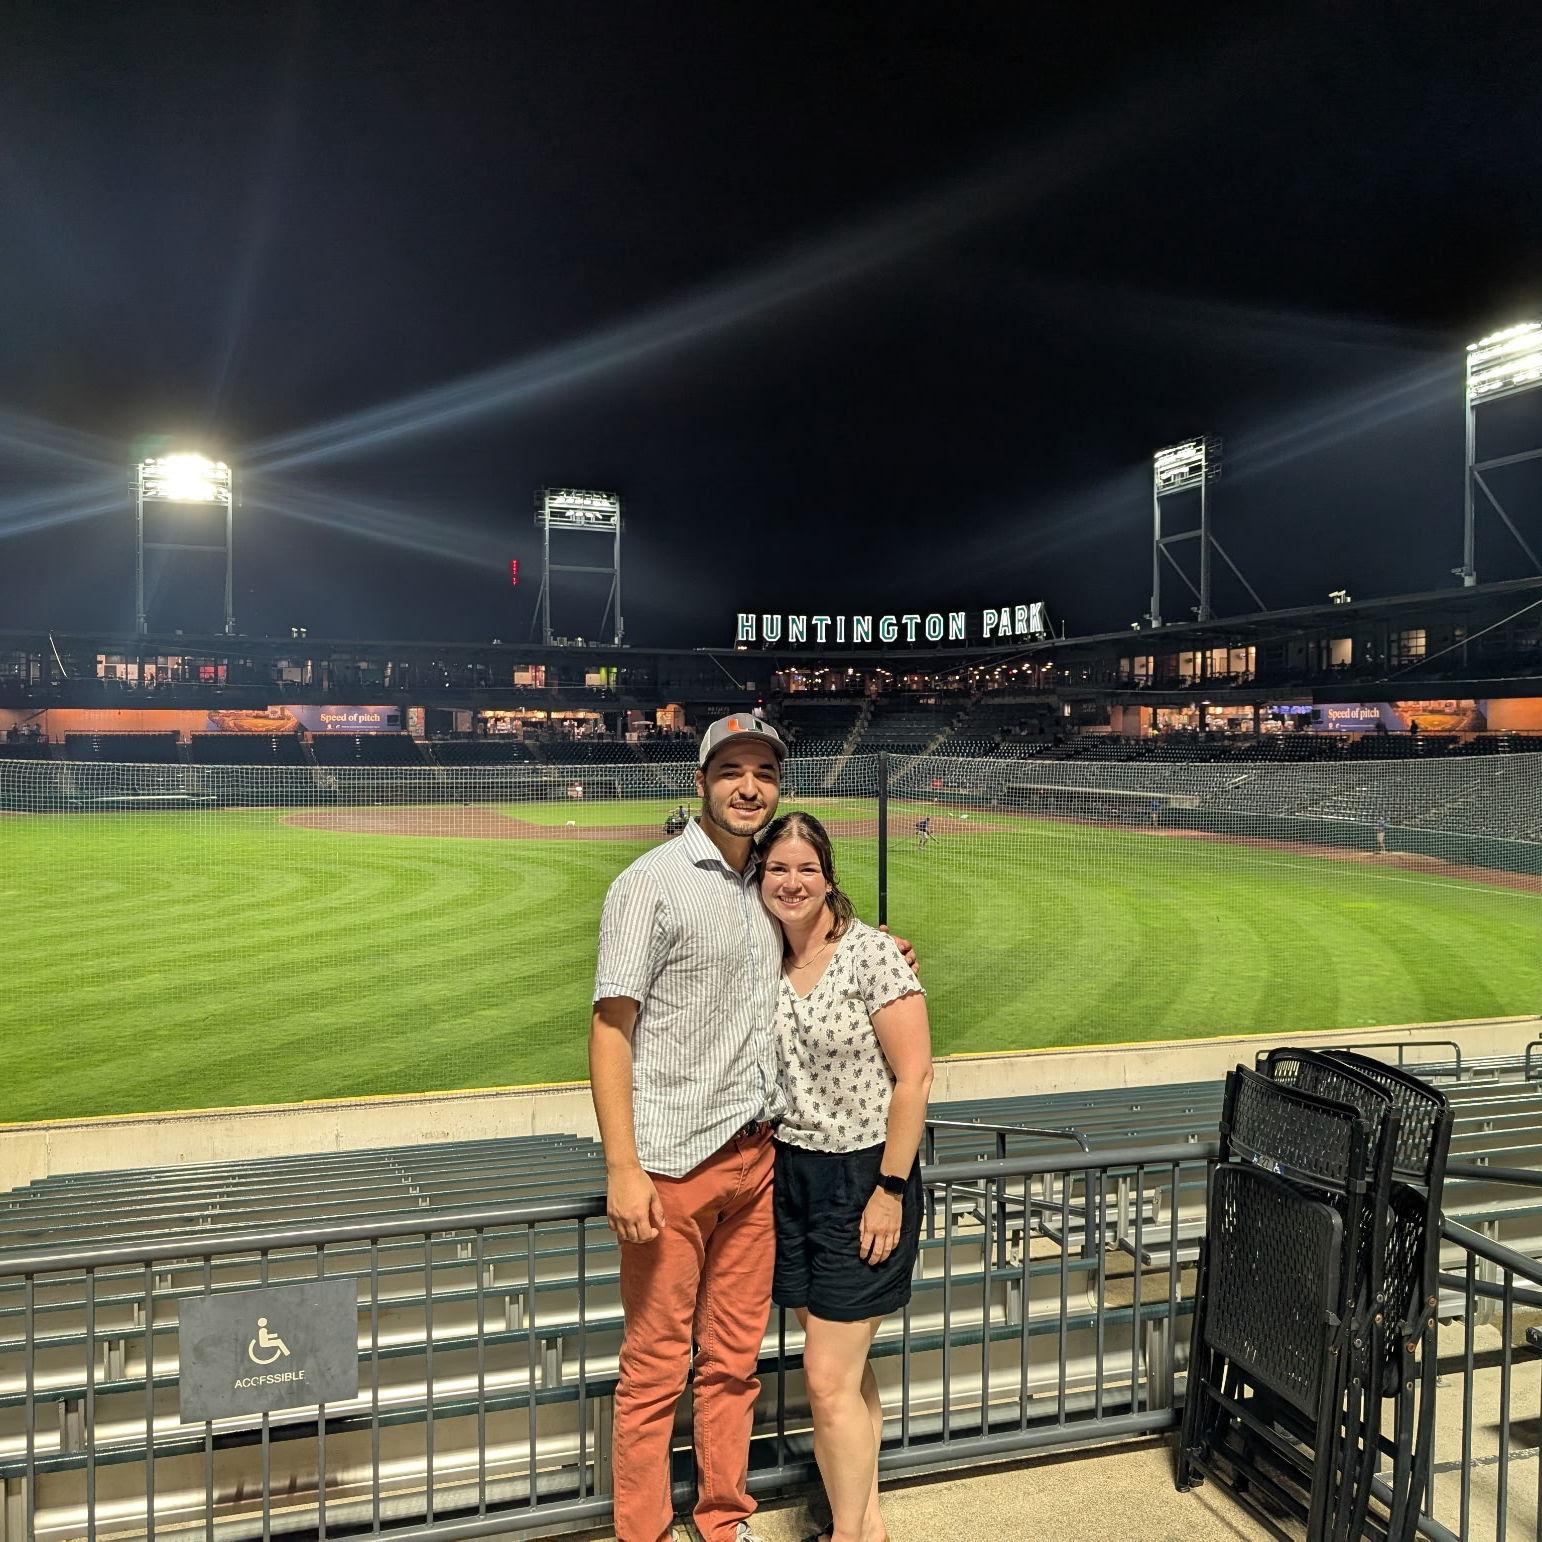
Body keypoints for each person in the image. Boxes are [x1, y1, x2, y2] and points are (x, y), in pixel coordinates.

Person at [589, 714, 916, 1542]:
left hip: (757, 1161)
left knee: (733, 1364)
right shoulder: (651, 882)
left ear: (775, 787)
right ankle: (645, 1531)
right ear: (701, 781)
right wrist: (622, 1166)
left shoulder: (758, 887)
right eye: (730, 769)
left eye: (762, 772)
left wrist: (880, 948)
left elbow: (823, 944)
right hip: (670, 1165)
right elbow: (610, 1027)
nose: (747, 785)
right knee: (656, 1368)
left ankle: (723, 1518)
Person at [759, 812, 933, 1542]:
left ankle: (852, 1535)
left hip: (865, 1176)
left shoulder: (872, 956)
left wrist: (889, 1191)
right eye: (777, 869)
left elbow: (915, 1076)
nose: (792, 882)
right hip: (791, 1174)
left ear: (829, 876)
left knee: (826, 1380)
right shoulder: (759, 954)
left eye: (806, 868)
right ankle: (867, 1524)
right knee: (848, 1374)